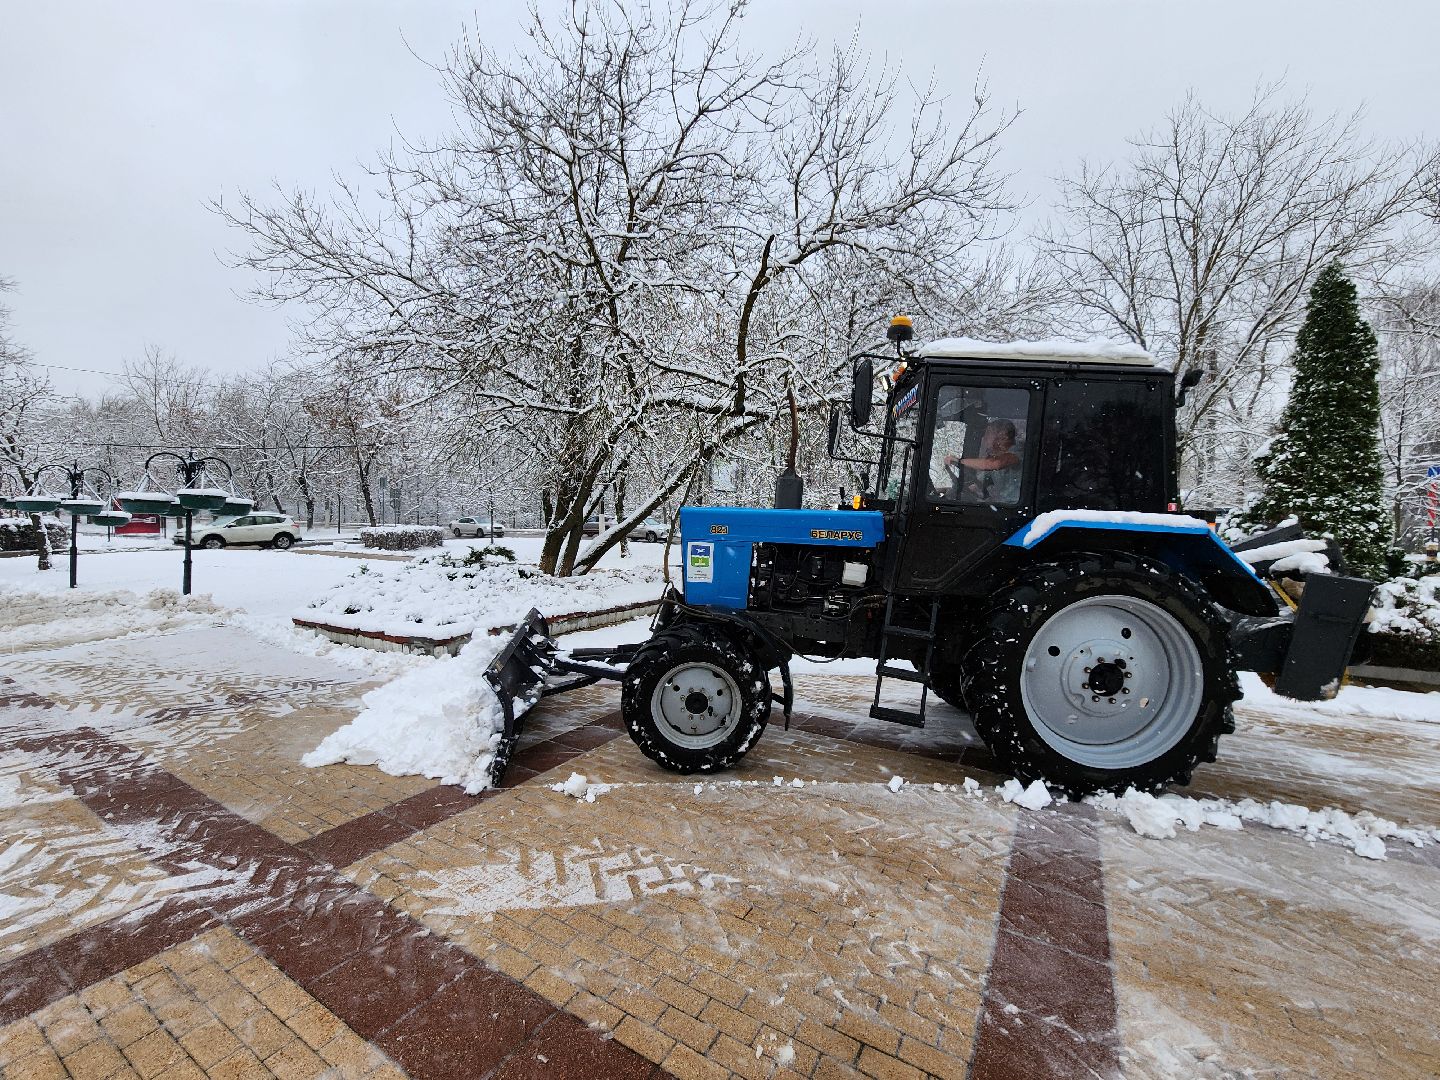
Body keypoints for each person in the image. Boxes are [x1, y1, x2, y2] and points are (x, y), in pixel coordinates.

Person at [944, 418, 1020, 503]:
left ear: (1001, 436)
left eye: (988, 433)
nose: (984, 437)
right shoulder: (994, 459)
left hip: (1014, 505)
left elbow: (993, 464)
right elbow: (979, 482)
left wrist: (958, 461)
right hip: (1002, 503)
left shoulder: (1016, 451)